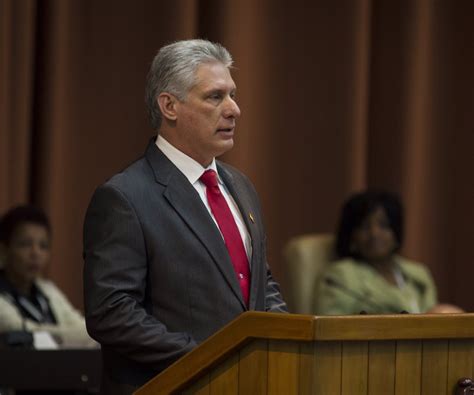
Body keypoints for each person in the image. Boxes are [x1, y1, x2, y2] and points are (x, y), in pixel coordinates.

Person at [83, 39, 287, 394]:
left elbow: (259, 285)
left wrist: (290, 342)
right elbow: (112, 313)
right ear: (170, 106)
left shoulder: (240, 186)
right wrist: (209, 359)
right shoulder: (125, 197)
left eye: (233, 95)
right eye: (215, 97)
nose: (234, 109)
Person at [314, 190, 463, 315]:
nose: (374, 233)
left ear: (396, 232)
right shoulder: (339, 277)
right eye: (365, 226)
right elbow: (330, 332)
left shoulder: (419, 274)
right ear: (352, 235)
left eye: (384, 225)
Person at [0, 205, 94, 348]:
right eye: (25, 244)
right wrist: (75, 337)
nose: (35, 253)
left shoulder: (48, 290)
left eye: (43, 246)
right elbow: (18, 331)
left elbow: (87, 330)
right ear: (4, 249)